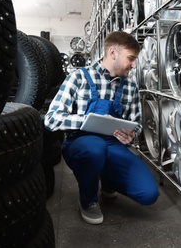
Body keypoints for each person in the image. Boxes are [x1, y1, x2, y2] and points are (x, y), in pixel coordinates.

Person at [44, 31, 160, 225]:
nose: (134, 65)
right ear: (113, 53)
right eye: (131, 59)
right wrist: (88, 120)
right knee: (94, 148)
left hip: (113, 145)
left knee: (148, 193)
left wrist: (131, 134)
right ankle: (88, 199)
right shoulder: (78, 77)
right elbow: (51, 119)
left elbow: (137, 122)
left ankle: (108, 180)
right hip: (81, 143)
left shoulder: (129, 86)